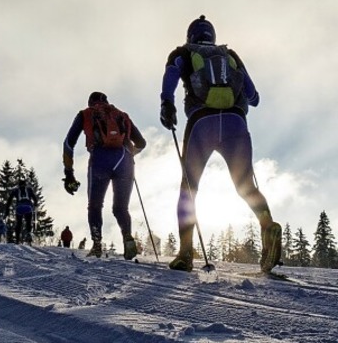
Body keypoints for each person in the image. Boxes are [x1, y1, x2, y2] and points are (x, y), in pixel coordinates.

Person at [160, 14, 281, 273]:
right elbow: (254, 97)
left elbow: (171, 75)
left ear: (190, 36)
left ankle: (185, 254)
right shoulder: (231, 56)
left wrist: (166, 103)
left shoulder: (182, 53)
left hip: (201, 123)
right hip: (236, 123)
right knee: (245, 185)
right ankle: (268, 225)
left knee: (188, 189)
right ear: (212, 36)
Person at [63, 91, 146, 258]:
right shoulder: (122, 115)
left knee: (95, 205)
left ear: (90, 103)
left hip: (100, 159)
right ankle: (127, 237)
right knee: (121, 208)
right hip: (124, 160)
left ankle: (97, 244)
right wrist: (130, 154)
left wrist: (69, 173)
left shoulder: (85, 114)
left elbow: (69, 143)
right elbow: (141, 143)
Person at [5, 177, 37, 244]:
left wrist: (7, 209)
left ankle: (17, 239)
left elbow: (9, 200)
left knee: (19, 223)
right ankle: (29, 234)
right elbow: (35, 199)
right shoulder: (29, 189)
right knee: (28, 222)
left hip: (19, 207)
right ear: (25, 184)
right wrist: (35, 204)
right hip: (28, 207)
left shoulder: (15, 190)